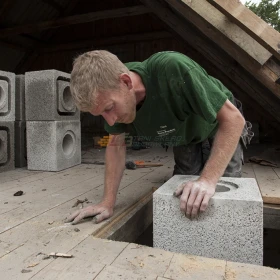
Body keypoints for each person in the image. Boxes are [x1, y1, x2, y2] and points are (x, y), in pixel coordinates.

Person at [66, 50, 252, 225]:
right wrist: (107, 202)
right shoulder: (112, 92)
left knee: (224, 189)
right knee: (184, 194)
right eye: (101, 115)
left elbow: (234, 120)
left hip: (219, 124)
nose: (111, 120)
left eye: (108, 108)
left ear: (126, 82)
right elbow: (115, 145)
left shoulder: (172, 68)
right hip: (182, 133)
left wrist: (207, 180)